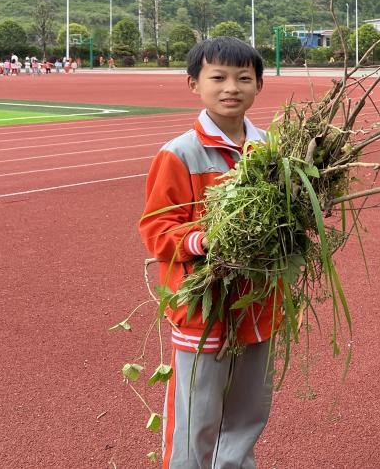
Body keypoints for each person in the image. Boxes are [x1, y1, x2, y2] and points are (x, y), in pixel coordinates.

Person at [139, 37, 275, 468]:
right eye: (217, 77)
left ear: (258, 86)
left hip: (259, 305)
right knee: (196, 418)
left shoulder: (273, 152)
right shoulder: (180, 153)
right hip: (203, 309)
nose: (230, 87)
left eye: (243, 78)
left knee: (247, 413)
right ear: (194, 84)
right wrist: (203, 241)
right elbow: (156, 229)